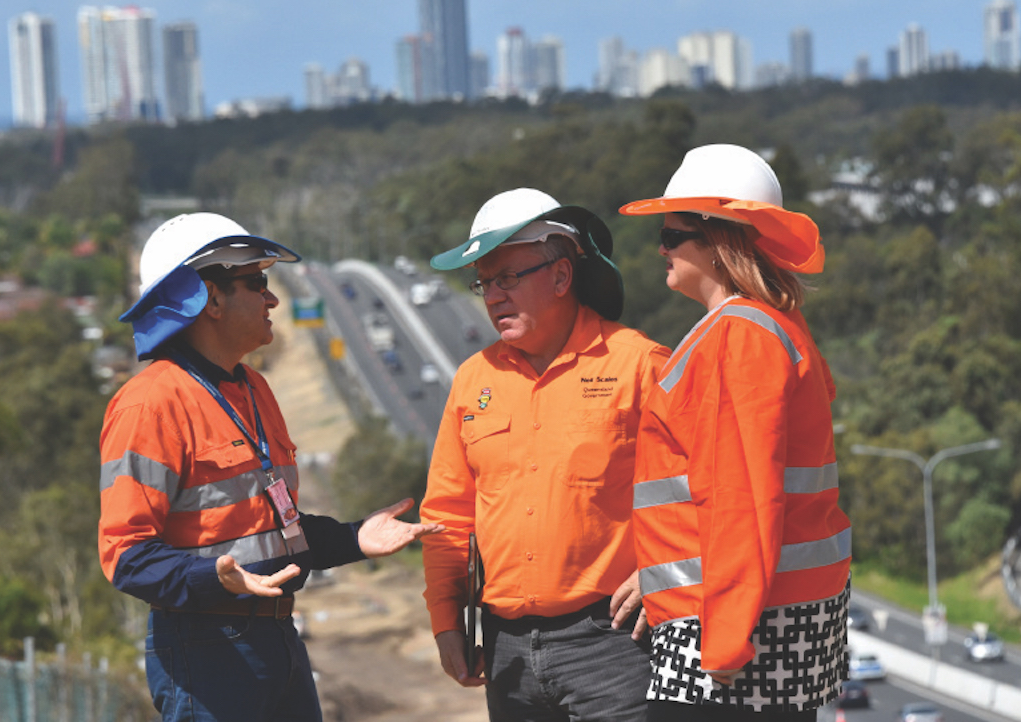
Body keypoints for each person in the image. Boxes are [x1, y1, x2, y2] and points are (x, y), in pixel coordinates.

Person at [98, 212, 442, 722]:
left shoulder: (253, 391)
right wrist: (215, 579)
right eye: (256, 282)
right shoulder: (149, 405)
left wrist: (354, 539)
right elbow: (125, 557)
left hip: (277, 635)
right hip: (207, 647)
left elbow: (274, 531)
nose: (273, 298)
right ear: (209, 298)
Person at [618, 144, 851, 720]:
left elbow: (741, 498)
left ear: (719, 243)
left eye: (672, 235)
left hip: (735, 629)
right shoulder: (766, 325)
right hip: (760, 615)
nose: (660, 248)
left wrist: (724, 639)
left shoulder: (738, 336)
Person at [420, 188, 670, 722]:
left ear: (561, 276)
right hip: (504, 646)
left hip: (614, 644)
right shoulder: (472, 380)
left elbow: (698, 490)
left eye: (507, 278)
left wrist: (663, 573)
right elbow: (446, 514)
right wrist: (447, 621)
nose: (492, 296)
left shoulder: (640, 365)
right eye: (484, 282)